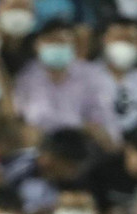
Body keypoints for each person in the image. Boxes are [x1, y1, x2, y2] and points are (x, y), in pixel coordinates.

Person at [12, 16, 118, 148]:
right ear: (37, 44)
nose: (57, 46)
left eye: (63, 42)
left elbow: (103, 116)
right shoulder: (27, 76)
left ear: (73, 47)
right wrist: (82, 126)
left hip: (83, 146)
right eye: (52, 41)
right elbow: (33, 118)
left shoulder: (92, 74)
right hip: (43, 145)